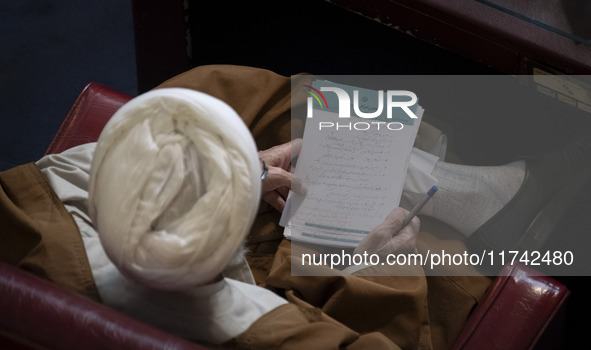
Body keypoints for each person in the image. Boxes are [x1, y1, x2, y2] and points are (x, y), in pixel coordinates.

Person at [2, 65, 589, 349]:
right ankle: (483, 199)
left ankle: (451, 182)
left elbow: (82, 176)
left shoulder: (14, 217)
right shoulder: (262, 332)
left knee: (226, 94)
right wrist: (368, 277)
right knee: (393, 240)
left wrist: (240, 170)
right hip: (260, 289)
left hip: (76, 231)